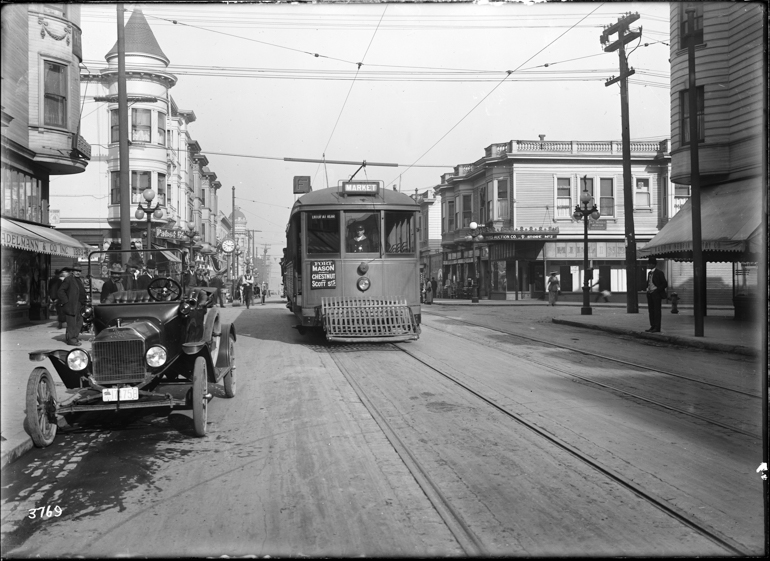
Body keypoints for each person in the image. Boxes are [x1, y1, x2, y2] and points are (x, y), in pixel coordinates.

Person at [58, 262, 87, 346]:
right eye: (76, 270)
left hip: (80, 304)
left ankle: (74, 337)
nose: (78, 272)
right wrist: (66, 301)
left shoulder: (79, 279)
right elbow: (60, 291)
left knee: (79, 322)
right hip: (72, 304)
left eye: (79, 271)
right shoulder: (68, 279)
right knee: (72, 323)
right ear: (72, 271)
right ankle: (71, 340)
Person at [645, 257, 668, 333]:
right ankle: (652, 326)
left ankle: (657, 327)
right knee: (651, 311)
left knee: (657, 311)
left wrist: (657, 290)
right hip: (650, 294)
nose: (648, 265)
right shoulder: (649, 273)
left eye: (649, 264)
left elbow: (664, 283)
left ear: (653, 264)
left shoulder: (659, 273)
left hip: (656, 294)